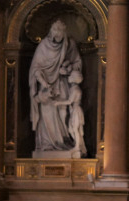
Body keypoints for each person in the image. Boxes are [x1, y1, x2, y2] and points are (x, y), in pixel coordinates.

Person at [28, 19, 81, 152]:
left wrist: (67, 69)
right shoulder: (43, 46)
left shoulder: (69, 45)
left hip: (62, 84)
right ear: (51, 32)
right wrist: (44, 83)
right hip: (46, 87)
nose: (57, 35)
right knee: (47, 115)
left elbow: (77, 63)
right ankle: (47, 143)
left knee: (63, 114)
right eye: (55, 31)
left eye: (60, 32)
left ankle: (64, 140)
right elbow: (35, 68)